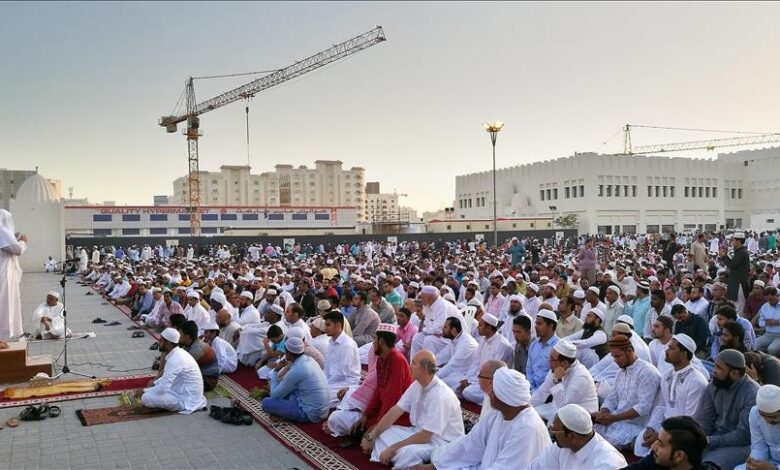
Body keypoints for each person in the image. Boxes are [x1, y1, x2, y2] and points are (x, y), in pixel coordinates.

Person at [427, 366, 552, 470]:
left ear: (505, 397)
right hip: (488, 465)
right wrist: (437, 465)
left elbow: (506, 467)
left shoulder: (527, 428)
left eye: (494, 390)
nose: (489, 393)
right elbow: (471, 442)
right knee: (438, 455)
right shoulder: (497, 414)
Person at [361, 350, 465, 468]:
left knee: (408, 453)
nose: (410, 366)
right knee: (383, 433)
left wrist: (393, 448)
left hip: (441, 442)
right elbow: (395, 410)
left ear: (424, 369)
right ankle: (391, 457)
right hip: (418, 433)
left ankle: (395, 458)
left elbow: (426, 436)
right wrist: (372, 436)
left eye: (414, 363)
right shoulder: (416, 385)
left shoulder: (441, 395)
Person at [324, 324, 412, 442]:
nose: (373, 342)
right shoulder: (381, 359)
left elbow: (392, 399)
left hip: (394, 416)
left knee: (375, 437)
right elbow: (377, 392)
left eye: (375, 339)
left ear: (381, 341)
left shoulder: (398, 361)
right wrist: (366, 415)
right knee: (337, 419)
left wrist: (375, 427)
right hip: (379, 412)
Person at [634, 334, 708, 458]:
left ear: (684, 354)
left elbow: (690, 419)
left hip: (684, 433)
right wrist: (652, 428)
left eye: (671, 348)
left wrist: (660, 435)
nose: (666, 351)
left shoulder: (697, 381)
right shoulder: (667, 376)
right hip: (665, 427)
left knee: (657, 450)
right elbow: (662, 405)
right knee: (642, 440)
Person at [593, 333, 661, 449]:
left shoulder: (647, 372)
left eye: (618, 356)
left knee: (607, 442)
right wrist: (604, 412)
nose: (615, 361)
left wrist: (613, 418)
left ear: (629, 351)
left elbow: (643, 407)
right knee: (588, 431)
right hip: (616, 420)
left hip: (636, 424)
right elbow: (612, 398)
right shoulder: (620, 372)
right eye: (613, 357)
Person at [695, 349, 760, 469]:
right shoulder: (714, 385)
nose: (714, 371)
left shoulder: (752, 393)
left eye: (719, 368)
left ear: (734, 373)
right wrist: (698, 438)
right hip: (714, 438)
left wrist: (709, 441)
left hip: (741, 445)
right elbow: (704, 420)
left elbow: (743, 435)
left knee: (707, 466)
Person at [528, 403, 628, 469]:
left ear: (573, 436)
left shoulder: (606, 463)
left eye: (555, 431)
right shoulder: (562, 446)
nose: (552, 433)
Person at [261, 337, 329, 423]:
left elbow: (274, 395)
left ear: (288, 353)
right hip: (323, 411)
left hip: (310, 414)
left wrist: (275, 371)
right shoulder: (310, 360)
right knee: (289, 392)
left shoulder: (297, 370)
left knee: (266, 403)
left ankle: (286, 415)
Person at [139, 327, 207, 413]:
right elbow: (166, 379)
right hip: (181, 391)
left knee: (146, 398)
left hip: (186, 400)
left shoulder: (175, 359)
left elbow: (163, 388)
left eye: (160, 341)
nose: (158, 343)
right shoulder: (177, 353)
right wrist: (153, 384)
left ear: (167, 343)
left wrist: (145, 390)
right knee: (153, 387)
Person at [530, 339, 599, 422]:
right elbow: (542, 392)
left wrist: (557, 381)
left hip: (578, 417)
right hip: (556, 408)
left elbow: (564, 406)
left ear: (564, 363)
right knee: (530, 413)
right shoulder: (557, 367)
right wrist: (526, 406)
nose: (549, 361)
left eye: (552, 359)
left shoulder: (581, 377)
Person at [459, 312, 514, 404]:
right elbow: (475, 363)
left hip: (494, 384)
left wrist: (471, 382)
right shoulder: (483, 340)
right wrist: (468, 379)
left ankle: (493, 401)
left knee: (467, 391)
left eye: (480, 325)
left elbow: (494, 374)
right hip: (480, 379)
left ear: (488, 328)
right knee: (458, 384)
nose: (477, 327)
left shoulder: (502, 345)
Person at [625, 416, 710, 470]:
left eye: (660, 444)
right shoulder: (656, 459)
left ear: (679, 455)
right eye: (657, 439)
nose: (653, 446)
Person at [735, 384, 780, 470]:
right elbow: (759, 446)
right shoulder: (754, 413)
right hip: (769, 462)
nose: (767, 420)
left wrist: (774, 469)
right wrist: (754, 462)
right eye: (763, 415)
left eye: (773, 417)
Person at [323, 311, 361, 407]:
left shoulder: (347, 345)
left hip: (346, 382)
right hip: (333, 380)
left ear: (338, 325)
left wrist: (323, 385)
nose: (325, 328)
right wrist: (321, 381)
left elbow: (342, 373)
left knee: (320, 398)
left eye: (328, 325)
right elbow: (327, 367)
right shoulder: (331, 341)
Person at [0, 209, 27, 342]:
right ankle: (2, 336)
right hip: (4, 273)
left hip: (4, 271)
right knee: (4, 303)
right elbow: (17, 250)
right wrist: (22, 241)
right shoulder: (2, 231)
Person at [437, 316, 479, 391]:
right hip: (457, 372)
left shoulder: (465, 344)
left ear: (453, 330)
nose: (442, 329)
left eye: (445, 327)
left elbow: (451, 365)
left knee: (439, 381)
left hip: (466, 376)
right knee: (436, 372)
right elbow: (442, 356)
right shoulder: (456, 339)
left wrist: (433, 376)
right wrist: (428, 366)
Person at [178, 320, 220, 391]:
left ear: (187, 336)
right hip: (200, 376)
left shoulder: (197, 349)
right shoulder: (189, 344)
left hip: (208, 382)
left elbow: (181, 368)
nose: (178, 337)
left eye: (180, 334)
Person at [527, 309, 561, 391]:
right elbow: (529, 369)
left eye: (539, 324)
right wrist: (532, 388)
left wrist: (540, 393)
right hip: (531, 390)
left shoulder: (559, 347)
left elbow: (557, 376)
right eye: (536, 323)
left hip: (550, 394)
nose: (535, 326)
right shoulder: (533, 345)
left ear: (551, 325)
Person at [720, 232, 751, 313]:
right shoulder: (739, 252)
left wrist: (723, 257)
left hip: (739, 283)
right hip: (735, 282)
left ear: (739, 241)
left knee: (739, 307)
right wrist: (725, 256)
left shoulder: (742, 252)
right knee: (733, 306)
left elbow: (733, 265)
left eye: (733, 240)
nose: (732, 242)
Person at [756, 286, 780, 356]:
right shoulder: (764, 306)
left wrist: (777, 322)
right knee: (754, 345)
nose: (770, 299)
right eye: (767, 297)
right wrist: (766, 323)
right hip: (768, 334)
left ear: (777, 295)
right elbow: (760, 322)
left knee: (772, 349)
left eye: (772, 297)